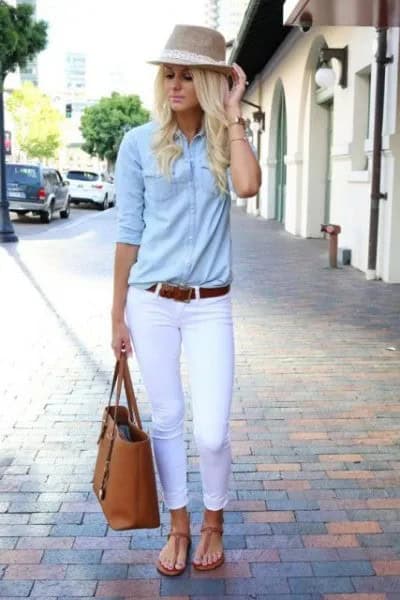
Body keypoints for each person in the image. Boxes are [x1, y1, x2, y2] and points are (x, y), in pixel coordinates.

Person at [111, 24, 261, 576]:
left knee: (212, 429)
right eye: (168, 74)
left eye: (185, 74)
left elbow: (248, 187)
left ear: (208, 80)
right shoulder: (138, 142)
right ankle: (179, 526)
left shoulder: (228, 139)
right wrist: (116, 315)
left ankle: (214, 521)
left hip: (210, 304)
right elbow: (128, 231)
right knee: (169, 418)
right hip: (151, 301)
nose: (174, 84)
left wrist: (236, 111)